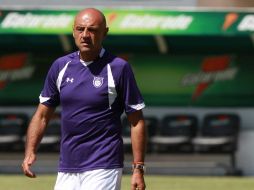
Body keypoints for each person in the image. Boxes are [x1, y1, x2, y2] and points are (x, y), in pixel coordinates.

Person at [22, 8, 146, 190]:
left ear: (105, 32)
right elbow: (42, 115)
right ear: (73, 31)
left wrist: (138, 168)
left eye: (93, 30)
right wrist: (30, 151)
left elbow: (136, 121)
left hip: (104, 163)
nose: (85, 35)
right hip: (67, 166)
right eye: (80, 29)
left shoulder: (119, 68)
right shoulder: (60, 66)